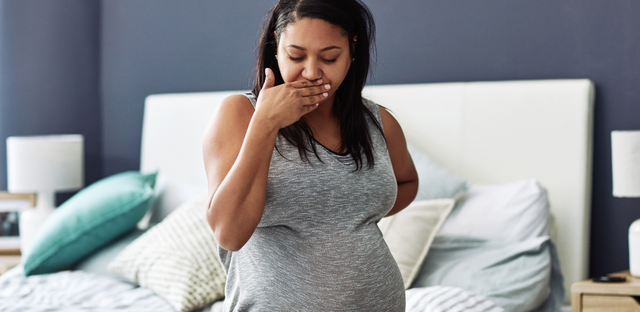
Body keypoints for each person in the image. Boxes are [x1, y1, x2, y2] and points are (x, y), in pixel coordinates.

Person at [203, 0, 418, 310]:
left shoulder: (378, 123)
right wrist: (266, 123)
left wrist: (342, 215)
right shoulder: (239, 114)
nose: (311, 72)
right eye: (296, 56)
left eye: (329, 57)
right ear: (276, 45)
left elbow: (407, 181)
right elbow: (229, 233)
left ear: (352, 49)